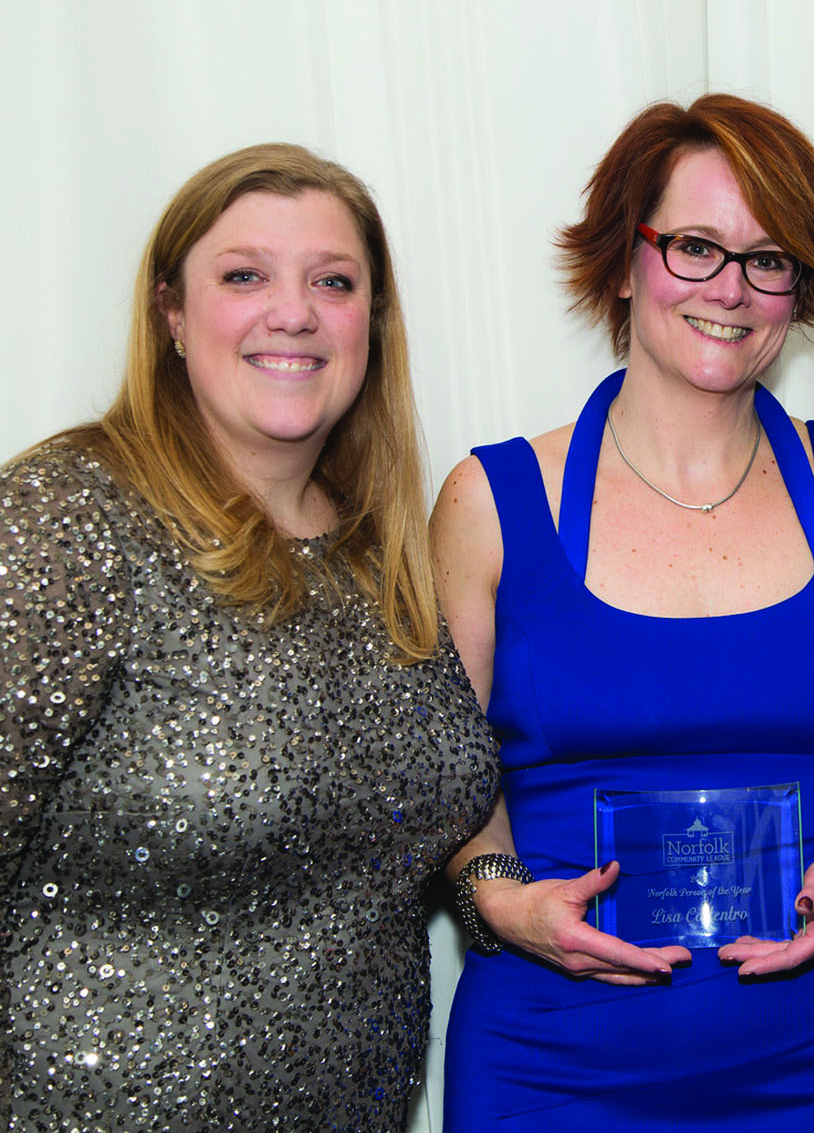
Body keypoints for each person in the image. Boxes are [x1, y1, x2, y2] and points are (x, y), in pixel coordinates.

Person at [433, 93, 814, 1130]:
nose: (732, 289)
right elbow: (435, 772)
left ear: (799, 291)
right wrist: (496, 895)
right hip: (553, 1061)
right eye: (696, 247)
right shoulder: (490, 502)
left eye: (769, 258)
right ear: (626, 259)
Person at [0, 143, 500, 1130]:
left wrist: (506, 894)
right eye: (243, 276)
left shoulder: (378, 553)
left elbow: (418, 828)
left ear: (372, 324)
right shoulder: (67, 518)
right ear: (172, 316)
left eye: (334, 281)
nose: (295, 311)